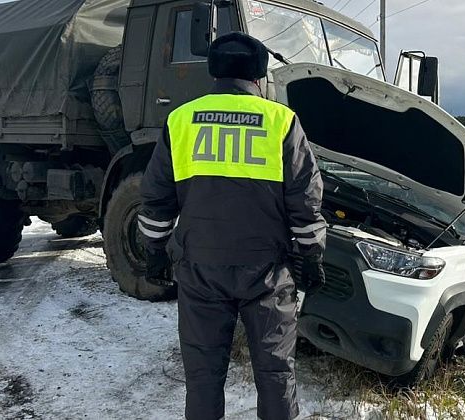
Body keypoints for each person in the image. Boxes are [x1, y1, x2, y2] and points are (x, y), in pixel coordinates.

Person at [137, 31, 327, 420]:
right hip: (267, 271)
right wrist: (310, 256)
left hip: (201, 269)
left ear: (214, 72)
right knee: (275, 373)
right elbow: (305, 201)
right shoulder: (281, 121)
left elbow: (156, 198)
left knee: (203, 377)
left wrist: (153, 251)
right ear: (258, 75)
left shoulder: (181, 120)